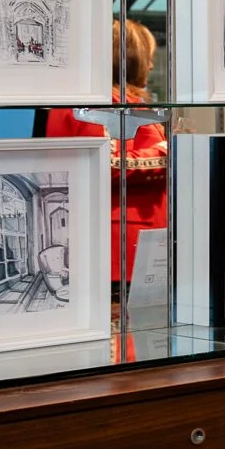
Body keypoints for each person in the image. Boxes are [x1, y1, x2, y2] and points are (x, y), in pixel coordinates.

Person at [42, 20, 169, 284]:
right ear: (130, 60)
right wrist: (167, 155)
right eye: (147, 58)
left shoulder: (105, 104)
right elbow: (105, 164)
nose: (151, 66)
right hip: (120, 242)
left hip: (128, 239)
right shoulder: (99, 106)